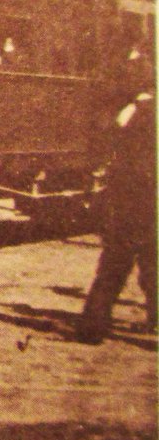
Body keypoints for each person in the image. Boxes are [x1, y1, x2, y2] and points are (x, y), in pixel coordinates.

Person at [76, 47, 157, 343]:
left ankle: (93, 325)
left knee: (114, 261)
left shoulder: (126, 113)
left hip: (126, 196)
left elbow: (107, 144)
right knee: (152, 259)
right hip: (152, 196)